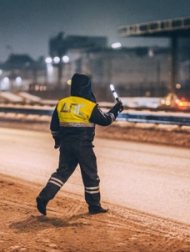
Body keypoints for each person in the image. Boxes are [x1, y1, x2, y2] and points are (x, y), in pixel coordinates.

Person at [36, 73, 124, 215]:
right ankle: (94, 206)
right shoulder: (89, 106)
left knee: (61, 173)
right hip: (84, 146)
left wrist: (58, 141)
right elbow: (106, 120)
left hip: (66, 145)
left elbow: (54, 127)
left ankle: (43, 197)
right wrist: (116, 109)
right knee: (90, 176)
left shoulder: (62, 103)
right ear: (88, 87)